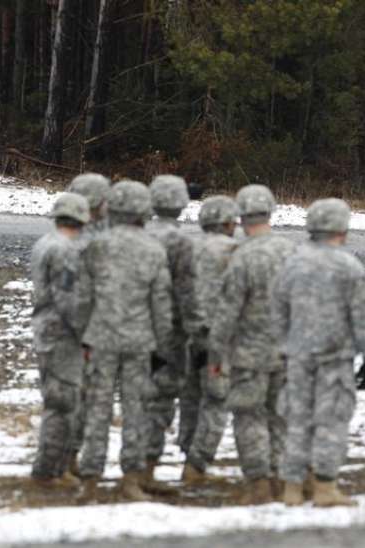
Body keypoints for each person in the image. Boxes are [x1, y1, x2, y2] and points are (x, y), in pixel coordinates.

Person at [271, 198, 365, 508]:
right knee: (331, 421)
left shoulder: (292, 263)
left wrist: (283, 347)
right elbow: (362, 317)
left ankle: (292, 488)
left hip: (298, 356)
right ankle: (325, 487)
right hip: (335, 357)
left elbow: (278, 311)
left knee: (296, 419)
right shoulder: (349, 267)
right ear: (341, 228)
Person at [78, 180, 174, 502]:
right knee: (136, 410)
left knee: (97, 409)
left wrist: (83, 336)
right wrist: (163, 345)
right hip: (139, 341)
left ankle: (89, 479)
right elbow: (160, 303)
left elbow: (83, 296)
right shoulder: (153, 249)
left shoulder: (96, 245)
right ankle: (131, 479)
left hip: (100, 337)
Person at [208, 185, 295, 504]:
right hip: (288, 349)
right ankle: (283, 479)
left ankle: (258, 483)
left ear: (241, 217)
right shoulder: (292, 251)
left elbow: (227, 311)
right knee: (281, 415)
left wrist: (216, 354)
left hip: (248, 353)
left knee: (249, 416)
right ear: (270, 212)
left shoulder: (241, 257)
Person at [143, 175, 201, 489]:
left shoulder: (139, 234)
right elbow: (187, 292)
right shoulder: (180, 241)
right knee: (161, 398)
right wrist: (198, 334)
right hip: (169, 331)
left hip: (134, 326)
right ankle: (146, 469)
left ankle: (134, 467)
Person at [30, 193, 91, 488]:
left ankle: (53, 467)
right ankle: (49, 471)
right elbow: (69, 301)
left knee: (58, 400)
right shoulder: (65, 250)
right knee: (62, 404)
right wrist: (87, 335)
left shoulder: (45, 243)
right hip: (62, 335)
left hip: (46, 331)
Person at [181, 196, 240, 483]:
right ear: (229, 223)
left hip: (186, 337)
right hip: (218, 339)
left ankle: (185, 450)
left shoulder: (186, 247)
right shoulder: (234, 251)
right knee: (216, 401)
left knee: (190, 398)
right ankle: (196, 465)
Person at [65, 172, 110, 477]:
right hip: (83, 330)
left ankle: (71, 458)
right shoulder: (83, 243)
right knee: (80, 398)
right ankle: (68, 459)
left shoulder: (77, 234)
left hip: (89, 328)